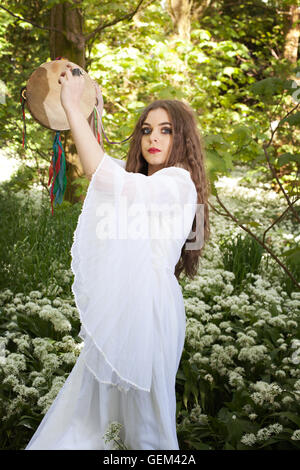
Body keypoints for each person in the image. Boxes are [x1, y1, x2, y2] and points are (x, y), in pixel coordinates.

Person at [25, 63, 210, 450]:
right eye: (146, 130)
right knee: (90, 417)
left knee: (145, 429)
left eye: (166, 130)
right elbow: (115, 191)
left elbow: (103, 175)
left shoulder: (177, 182)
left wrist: (74, 107)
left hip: (150, 310)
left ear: (184, 139)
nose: (153, 138)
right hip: (132, 304)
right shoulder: (151, 183)